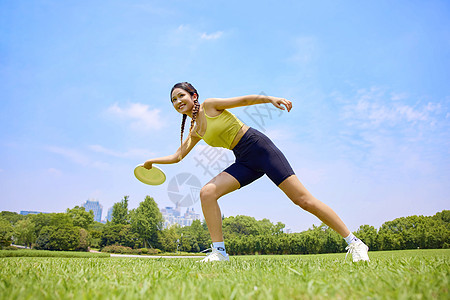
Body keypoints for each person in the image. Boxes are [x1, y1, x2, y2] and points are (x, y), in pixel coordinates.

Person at [144, 82, 370, 262]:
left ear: (194, 96)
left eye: (180, 96)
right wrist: (151, 161)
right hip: (244, 160)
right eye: (173, 100)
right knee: (207, 193)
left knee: (303, 200)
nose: (177, 101)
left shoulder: (210, 105)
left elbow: (244, 100)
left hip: (259, 148)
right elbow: (177, 156)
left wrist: (270, 98)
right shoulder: (195, 131)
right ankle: (219, 252)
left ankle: (355, 242)